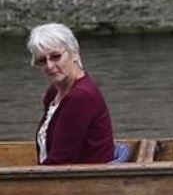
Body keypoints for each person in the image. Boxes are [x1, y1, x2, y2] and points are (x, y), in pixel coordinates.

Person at [27, 23, 116, 165]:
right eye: (42, 60)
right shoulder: (54, 92)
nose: (49, 66)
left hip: (85, 182)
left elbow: (60, 161)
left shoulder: (81, 97)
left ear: (74, 53)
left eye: (55, 56)